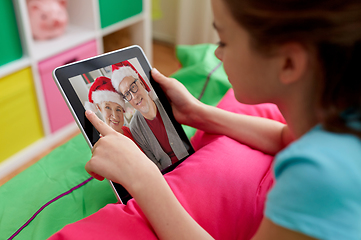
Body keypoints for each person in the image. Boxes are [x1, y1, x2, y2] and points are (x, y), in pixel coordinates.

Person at [56, 0, 361, 239]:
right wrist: (198, 114)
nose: (216, 55)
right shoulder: (339, 117)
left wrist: (143, 178)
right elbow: (285, 137)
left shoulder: (320, 178)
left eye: (224, 41)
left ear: (289, 63)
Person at [111, 61, 189, 170]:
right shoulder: (135, 127)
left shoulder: (166, 103)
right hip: (168, 173)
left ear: (142, 84)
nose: (134, 96)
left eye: (133, 87)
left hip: (190, 159)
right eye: (127, 94)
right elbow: (153, 164)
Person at [85, 76, 134, 141]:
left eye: (118, 109)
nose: (115, 115)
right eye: (108, 107)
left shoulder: (128, 130)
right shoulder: (103, 143)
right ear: (99, 108)